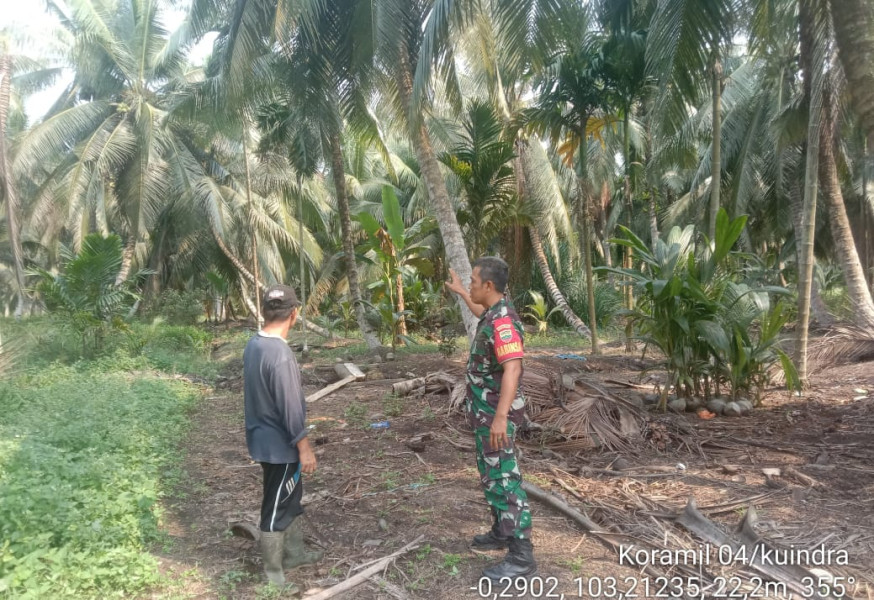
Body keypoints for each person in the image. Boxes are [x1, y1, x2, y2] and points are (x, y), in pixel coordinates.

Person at [445, 257, 536, 581]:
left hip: (495, 416)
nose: (469, 284)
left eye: (471, 281)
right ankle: (501, 530)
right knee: (490, 474)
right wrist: (459, 292)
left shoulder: (503, 323)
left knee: (504, 478)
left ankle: (521, 553)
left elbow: (513, 368)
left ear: (488, 285)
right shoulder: (494, 312)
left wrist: (500, 418)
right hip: (484, 414)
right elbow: (477, 309)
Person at [243, 284, 323, 585]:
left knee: (290, 497)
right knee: (276, 505)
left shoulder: (255, 344)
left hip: (262, 437)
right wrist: (304, 447)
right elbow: (290, 406)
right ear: (295, 313)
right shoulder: (280, 355)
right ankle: (274, 575)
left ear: (265, 311)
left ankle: (295, 553)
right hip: (280, 446)